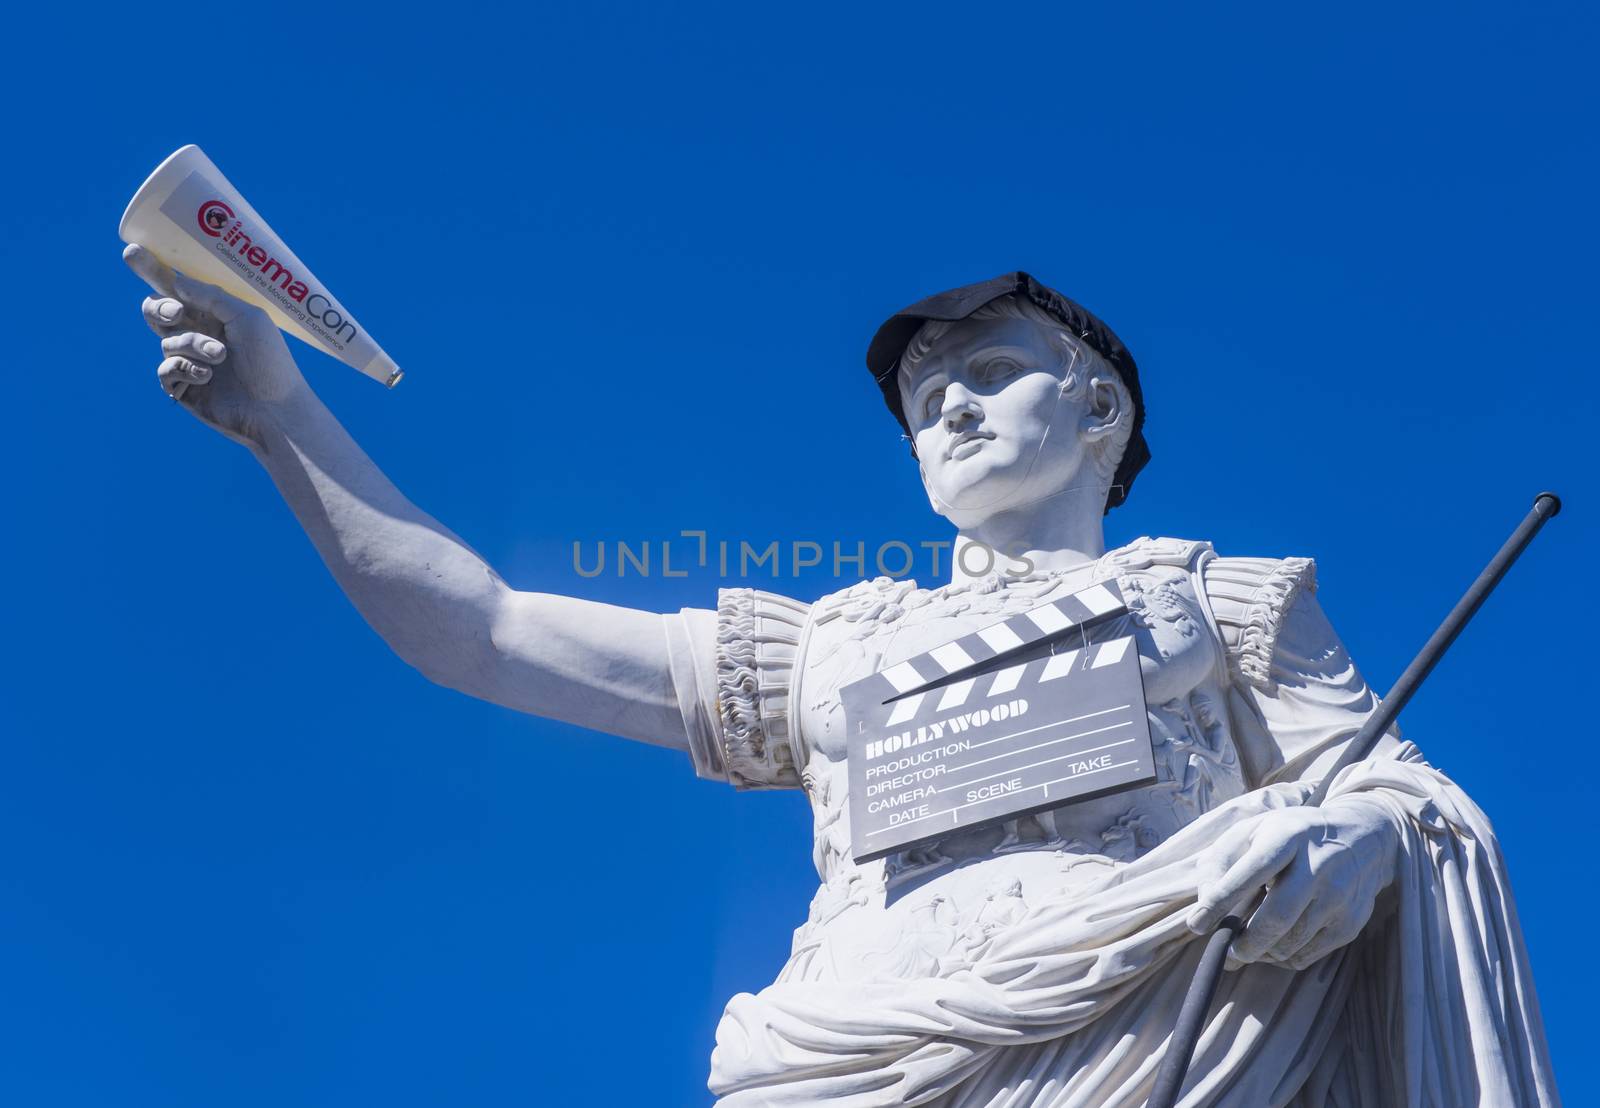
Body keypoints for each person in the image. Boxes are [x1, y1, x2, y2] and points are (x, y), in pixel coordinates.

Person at [125, 251, 1558, 1106]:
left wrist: (1362, 839)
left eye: (992, 371)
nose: (948, 404)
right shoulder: (828, 645)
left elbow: (1393, 790)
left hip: (1167, 1048)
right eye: (929, 397)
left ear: (1099, 410)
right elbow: (486, 633)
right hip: (853, 1057)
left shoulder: (1221, 602)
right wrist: (282, 414)